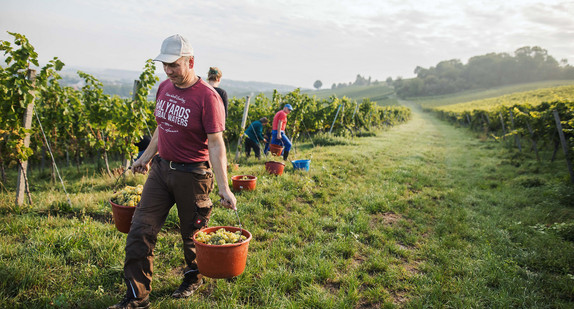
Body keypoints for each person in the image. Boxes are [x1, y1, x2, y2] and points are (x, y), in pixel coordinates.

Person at [108, 34, 237, 309]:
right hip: (160, 171)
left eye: (174, 65)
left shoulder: (208, 98)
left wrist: (225, 187)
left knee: (192, 236)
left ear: (190, 62)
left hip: (193, 176)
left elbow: (216, 144)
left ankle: (193, 277)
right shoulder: (165, 87)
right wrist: (145, 157)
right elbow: (161, 127)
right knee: (139, 231)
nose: (168, 70)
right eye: (164, 65)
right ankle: (136, 297)